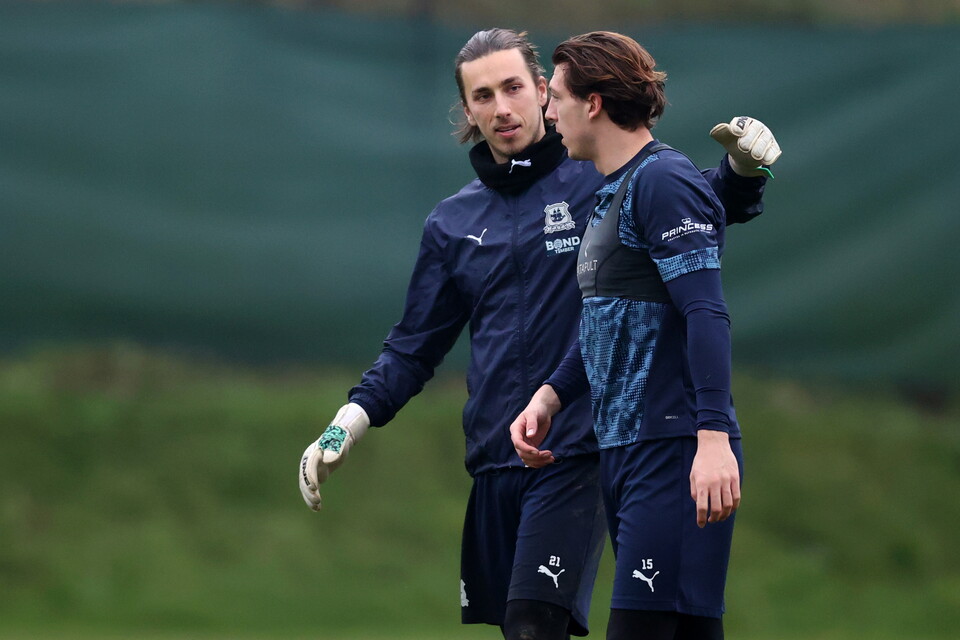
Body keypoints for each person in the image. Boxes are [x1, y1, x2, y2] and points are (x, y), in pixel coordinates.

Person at [300, 28, 780, 640]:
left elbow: (694, 212)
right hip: (502, 453)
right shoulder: (453, 222)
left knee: (537, 624)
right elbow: (414, 344)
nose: (503, 107)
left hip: (591, 448)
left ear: (545, 94)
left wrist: (742, 174)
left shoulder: (605, 176)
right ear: (466, 112)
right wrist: (350, 421)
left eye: (516, 88)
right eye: (482, 96)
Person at [510, 32, 764, 640]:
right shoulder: (610, 193)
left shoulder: (662, 181)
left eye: (558, 98)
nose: (548, 112)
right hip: (625, 452)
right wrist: (552, 394)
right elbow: (608, 319)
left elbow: (706, 313)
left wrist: (711, 439)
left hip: (674, 450)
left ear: (593, 103)